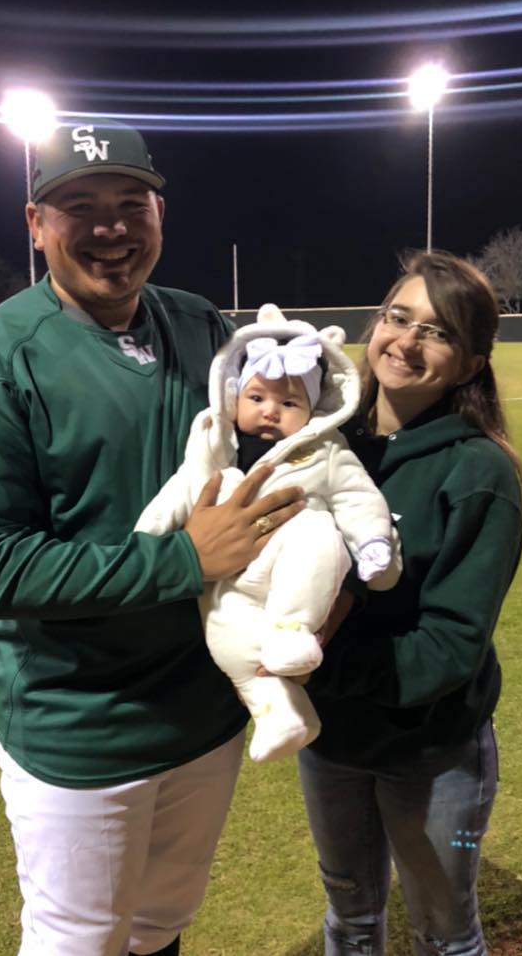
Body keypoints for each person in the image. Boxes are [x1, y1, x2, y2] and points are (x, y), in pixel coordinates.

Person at [0, 120, 304, 956]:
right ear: (36, 224)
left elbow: (274, 444)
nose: (111, 228)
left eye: (131, 203)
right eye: (79, 206)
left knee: (159, 928)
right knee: (77, 942)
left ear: (159, 215)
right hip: (80, 722)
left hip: (204, 708)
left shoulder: (202, 326)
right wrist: (185, 559)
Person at [298, 250, 522, 956]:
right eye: (397, 317)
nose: (405, 340)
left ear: (469, 363)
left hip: (434, 753)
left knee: (444, 932)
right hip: (331, 742)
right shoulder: (325, 444)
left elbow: (450, 646)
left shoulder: (478, 474)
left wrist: (312, 668)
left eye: (437, 332)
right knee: (348, 913)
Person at [134, 304, 400, 763]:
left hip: (292, 564)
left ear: (313, 409)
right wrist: (147, 538)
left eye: (289, 402)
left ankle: (292, 628)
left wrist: (374, 543)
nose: (270, 411)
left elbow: (359, 498)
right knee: (223, 632)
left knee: (317, 533)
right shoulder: (213, 442)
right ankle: (280, 713)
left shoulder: (326, 451)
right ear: (234, 395)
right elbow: (181, 488)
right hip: (229, 580)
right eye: (257, 398)